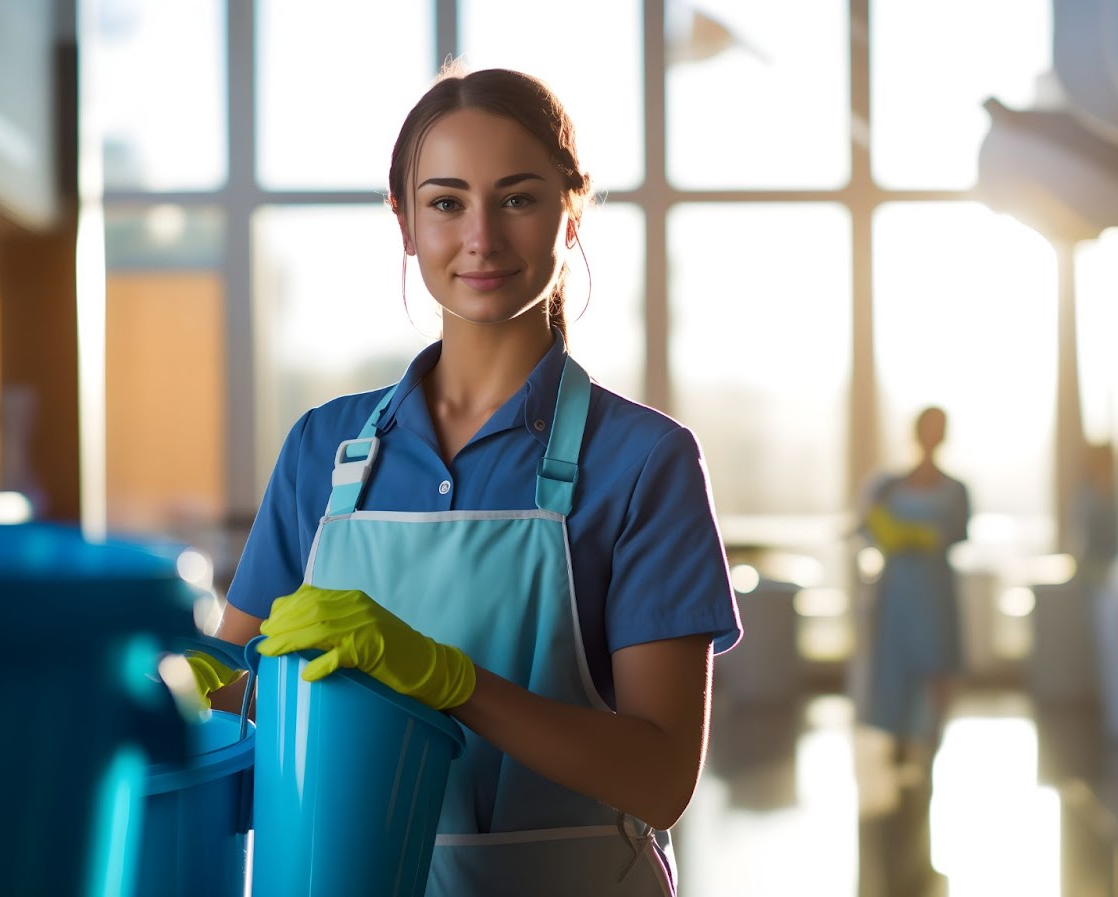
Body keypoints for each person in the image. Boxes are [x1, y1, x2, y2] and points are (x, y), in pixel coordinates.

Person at [196, 66, 741, 896]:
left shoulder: (644, 461)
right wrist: (176, 675)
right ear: (405, 221)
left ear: (572, 207)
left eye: (517, 198)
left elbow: (661, 777)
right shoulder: (323, 449)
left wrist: (451, 680)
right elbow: (241, 697)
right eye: (446, 202)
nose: (480, 237)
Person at [855, 406, 971, 770]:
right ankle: (899, 736)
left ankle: (932, 740)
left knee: (937, 661)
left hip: (934, 586)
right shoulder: (888, 485)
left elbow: (960, 533)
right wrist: (890, 532)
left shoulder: (956, 489)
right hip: (899, 587)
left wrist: (927, 538)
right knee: (896, 663)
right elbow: (866, 526)